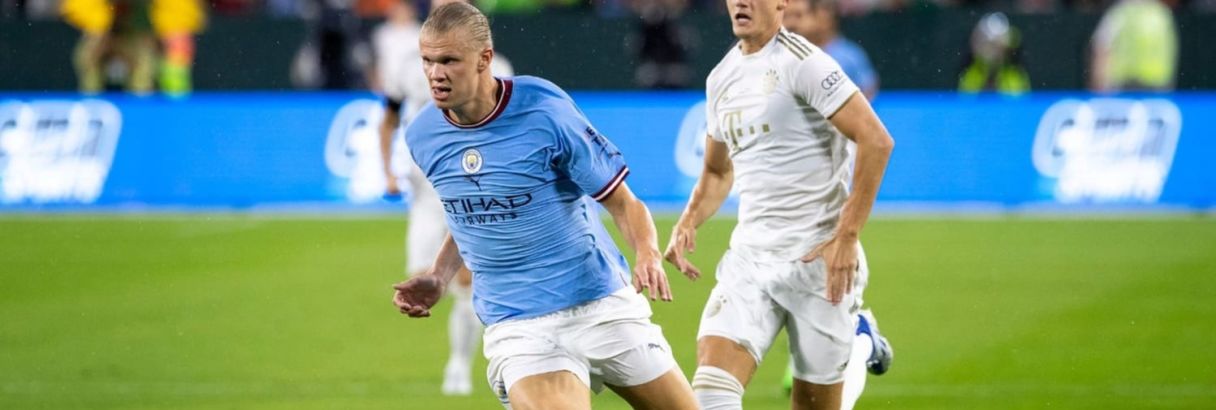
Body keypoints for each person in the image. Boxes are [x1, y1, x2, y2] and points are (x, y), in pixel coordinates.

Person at [391, 3, 699, 409]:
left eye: (449, 60)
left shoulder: (543, 110)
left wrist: (647, 252)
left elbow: (622, 202)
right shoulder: (423, 135)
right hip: (519, 325)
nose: (435, 74)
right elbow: (468, 212)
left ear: (485, 59)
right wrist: (439, 275)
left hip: (600, 302)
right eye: (428, 61)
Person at [663, 0, 895, 409]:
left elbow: (876, 140)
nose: (741, 2)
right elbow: (718, 172)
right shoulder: (721, 77)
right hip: (750, 262)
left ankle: (860, 343)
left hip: (816, 263)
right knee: (711, 393)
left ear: (780, 3)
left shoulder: (805, 64)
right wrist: (689, 220)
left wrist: (847, 236)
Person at [373, 0, 513, 396]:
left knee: (465, 279)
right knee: (423, 276)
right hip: (425, 191)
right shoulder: (409, 62)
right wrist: (386, 170)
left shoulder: (497, 66)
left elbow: (504, 128)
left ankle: (460, 363)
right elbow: (388, 117)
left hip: (471, 184)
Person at [783, 1, 893, 406]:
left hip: (825, 193)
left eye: (799, 15)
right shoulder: (775, 59)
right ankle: (843, 341)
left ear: (823, 16)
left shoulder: (839, 59)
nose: (791, 23)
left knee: (816, 285)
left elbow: (868, 121)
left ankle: (853, 341)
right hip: (783, 205)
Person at [782, 0, 877, 100]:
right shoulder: (791, 52)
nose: (793, 24)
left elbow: (868, 88)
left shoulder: (850, 54)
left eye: (799, 16)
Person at [1089, 0, 1178, 92]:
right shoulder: (1161, 13)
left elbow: (1102, 47)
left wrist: (1099, 83)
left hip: (1132, 85)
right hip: (1151, 85)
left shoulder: (1121, 12)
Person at [958, 12, 1030, 95]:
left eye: (995, 44)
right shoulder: (971, 74)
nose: (991, 49)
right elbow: (966, 101)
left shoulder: (1014, 75)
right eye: (986, 43)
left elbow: (1019, 102)